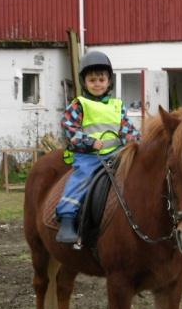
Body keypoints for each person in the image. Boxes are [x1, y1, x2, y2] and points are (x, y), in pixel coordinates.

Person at [55, 50, 139, 243]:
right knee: (82, 177)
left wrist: (141, 144)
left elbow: (127, 130)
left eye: (101, 80)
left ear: (109, 81)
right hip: (90, 156)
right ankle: (67, 218)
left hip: (117, 153)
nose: (97, 84)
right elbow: (68, 127)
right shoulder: (79, 104)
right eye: (92, 80)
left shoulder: (117, 105)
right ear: (84, 83)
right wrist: (89, 142)